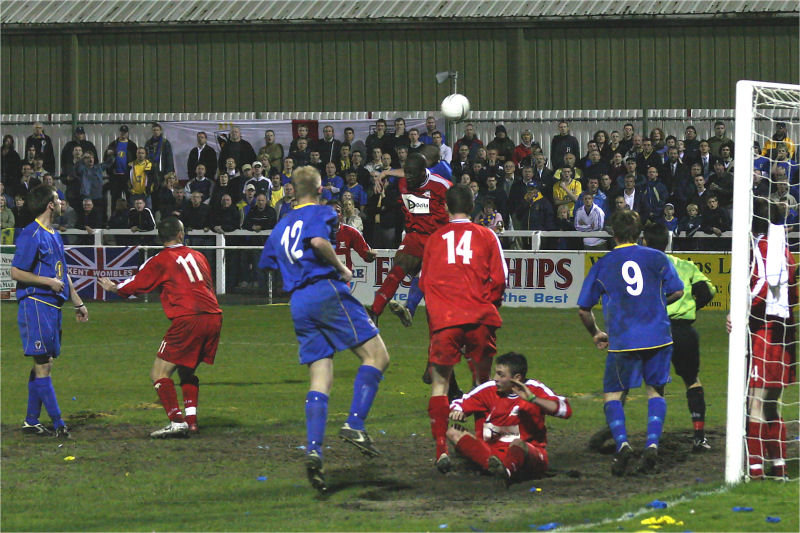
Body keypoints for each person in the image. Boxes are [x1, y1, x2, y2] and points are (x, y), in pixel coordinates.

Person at [258, 166, 391, 493]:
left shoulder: (279, 227)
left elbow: (270, 263)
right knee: (377, 356)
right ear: (317, 189)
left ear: (291, 190)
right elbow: (318, 240)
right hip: (324, 290)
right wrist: (342, 267)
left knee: (321, 375)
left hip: (298, 302)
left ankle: (314, 450)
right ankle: (355, 424)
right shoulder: (318, 212)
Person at [577, 209, 683, 476]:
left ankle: (623, 444)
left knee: (613, 394)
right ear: (640, 235)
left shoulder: (604, 263)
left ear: (613, 234)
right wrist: (656, 304)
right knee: (655, 392)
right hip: (658, 336)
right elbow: (677, 290)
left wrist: (596, 333)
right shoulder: (657, 257)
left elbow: (583, 309)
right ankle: (651, 445)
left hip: (623, 339)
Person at [99, 217, 223, 438]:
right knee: (186, 370)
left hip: (188, 318)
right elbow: (208, 285)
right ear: (180, 234)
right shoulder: (199, 256)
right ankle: (192, 421)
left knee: (158, 373)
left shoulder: (161, 260)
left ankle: (177, 421)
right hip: (213, 316)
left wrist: (114, 287)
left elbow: (138, 283)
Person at [419, 184, 507, 472]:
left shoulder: (434, 239)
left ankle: (441, 451)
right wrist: (488, 302)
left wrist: (439, 315)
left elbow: (424, 283)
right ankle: (485, 449)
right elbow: (500, 279)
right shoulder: (487, 235)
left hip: (446, 319)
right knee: (482, 384)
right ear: (473, 207)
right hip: (480, 317)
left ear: (445, 207)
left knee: (440, 384)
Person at [11, 185, 89, 437]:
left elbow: (61, 273)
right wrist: (48, 283)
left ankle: (31, 420)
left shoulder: (54, 234)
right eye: (57, 198)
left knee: (45, 362)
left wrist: (78, 302)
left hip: (52, 306)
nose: (62, 202)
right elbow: (15, 272)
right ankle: (58, 424)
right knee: (43, 363)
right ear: (50, 205)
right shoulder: (31, 234)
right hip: (35, 304)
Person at [644, 224, 716, 451]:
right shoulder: (685, 265)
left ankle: (654, 440)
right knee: (692, 379)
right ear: (667, 242)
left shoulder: (642, 268)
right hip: (684, 330)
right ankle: (698, 436)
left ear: (645, 242)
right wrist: (690, 308)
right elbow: (707, 291)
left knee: (656, 385)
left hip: (656, 330)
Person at [447, 352, 572, 483]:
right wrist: (458, 411)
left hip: (527, 456)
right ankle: (496, 468)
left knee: (518, 444)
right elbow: (460, 403)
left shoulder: (535, 389)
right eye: (495, 373)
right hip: (492, 454)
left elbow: (566, 410)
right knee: (453, 432)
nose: (495, 378)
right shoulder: (488, 389)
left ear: (516, 378)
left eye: (501, 375)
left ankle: (504, 472)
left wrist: (534, 399)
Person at [744, 198, 797, 478]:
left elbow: (762, 281)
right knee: (772, 403)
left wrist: (742, 308)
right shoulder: (784, 249)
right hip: (786, 333)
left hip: (765, 330)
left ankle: (754, 468)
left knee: (755, 401)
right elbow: (793, 289)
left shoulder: (762, 246)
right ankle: (779, 466)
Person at [367, 152, 451, 322]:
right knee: (398, 267)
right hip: (414, 235)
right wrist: (385, 174)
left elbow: (458, 206)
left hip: (437, 238)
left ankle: (412, 309)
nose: (408, 178)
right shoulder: (405, 181)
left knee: (426, 277)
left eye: (412, 174)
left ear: (423, 172)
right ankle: (375, 312)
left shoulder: (442, 185)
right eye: (407, 173)